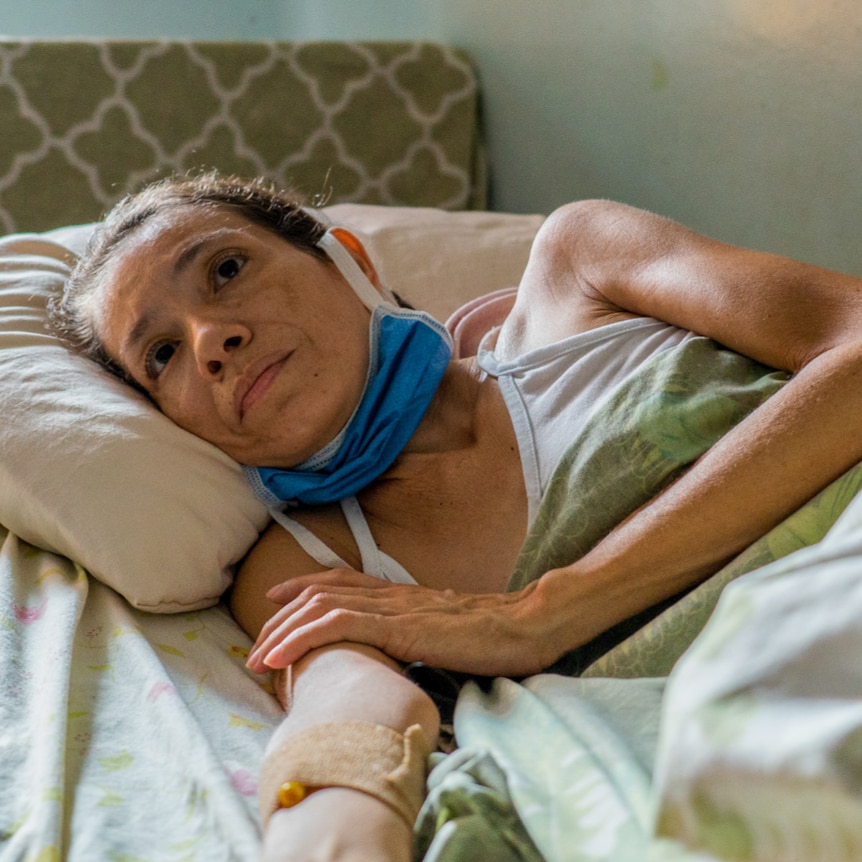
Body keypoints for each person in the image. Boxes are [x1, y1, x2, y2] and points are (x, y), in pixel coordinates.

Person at [49, 172, 862, 862]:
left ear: (345, 259)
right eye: (161, 356)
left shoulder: (583, 266)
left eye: (226, 269)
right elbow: (347, 723)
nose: (209, 340)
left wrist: (546, 613)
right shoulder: (304, 563)